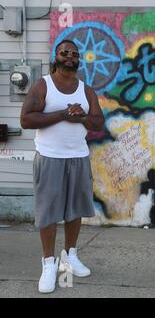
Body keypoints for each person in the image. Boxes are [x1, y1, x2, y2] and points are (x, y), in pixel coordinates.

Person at [20, 39, 105, 293]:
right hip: (49, 157)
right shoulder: (42, 86)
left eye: (74, 54)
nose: (69, 56)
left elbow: (98, 123)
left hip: (78, 156)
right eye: (64, 52)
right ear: (56, 57)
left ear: (78, 60)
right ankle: (48, 263)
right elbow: (25, 119)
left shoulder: (86, 90)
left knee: (74, 210)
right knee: (48, 213)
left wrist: (82, 117)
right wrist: (62, 115)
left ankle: (69, 256)